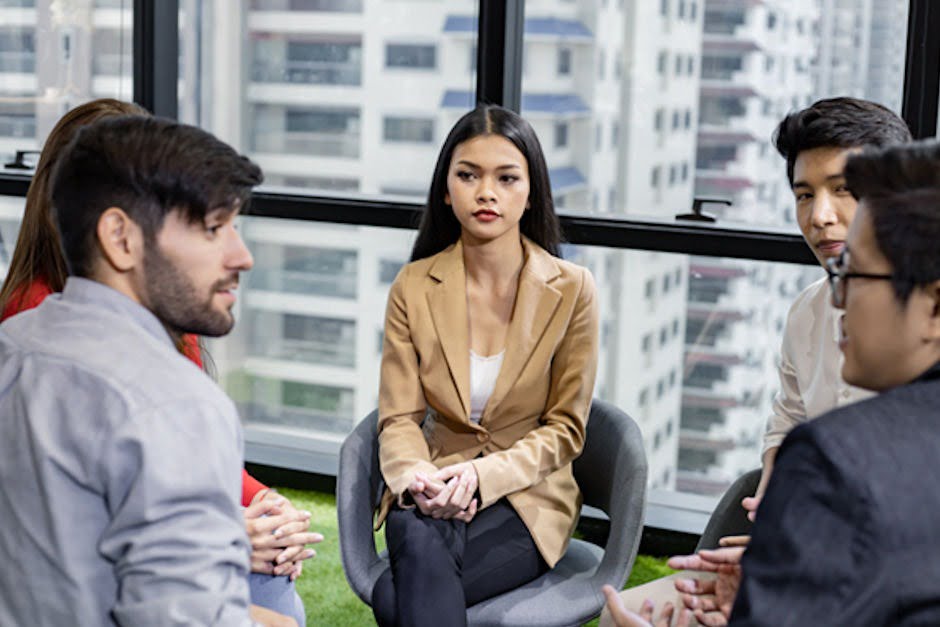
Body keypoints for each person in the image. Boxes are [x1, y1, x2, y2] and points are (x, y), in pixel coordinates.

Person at [0, 99, 317, 624]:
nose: (242, 256)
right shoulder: (173, 406)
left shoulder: (14, 343)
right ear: (120, 238)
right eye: (213, 229)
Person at [600, 96, 911, 627]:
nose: (820, 217)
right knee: (626, 616)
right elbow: (789, 416)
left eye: (844, 189)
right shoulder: (808, 313)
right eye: (804, 194)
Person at [370, 104, 599, 626]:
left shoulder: (573, 289)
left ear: (531, 191)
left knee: (393, 600)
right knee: (413, 529)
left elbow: (566, 429)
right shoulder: (413, 285)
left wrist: (478, 477)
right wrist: (418, 478)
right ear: (446, 190)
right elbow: (399, 417)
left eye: (506, 177)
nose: (486, 192)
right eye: (468, 176)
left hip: (527, 496)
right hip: (432, 484)